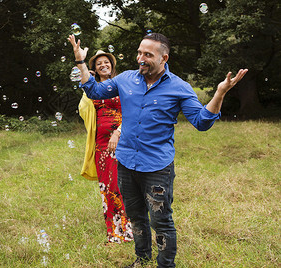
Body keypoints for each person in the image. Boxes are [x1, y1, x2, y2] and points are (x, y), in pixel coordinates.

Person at [68, 33, 247, 267]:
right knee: (136, 217)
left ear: (164, 58)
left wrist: (220, 93)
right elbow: (93, 92)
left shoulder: (179, 87)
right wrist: (81, 62)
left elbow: (202, 122)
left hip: (156, 168)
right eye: (139, 53)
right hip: (126, 163)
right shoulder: (126, 79)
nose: (141, 59)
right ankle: (141, 260)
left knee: (161, 222)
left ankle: (165, 265)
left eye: (148, 55)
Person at [78, 50, 133, 243]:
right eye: (99, 63)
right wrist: (87, 80)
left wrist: (118, 132)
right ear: (95, 68)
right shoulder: (94, 89)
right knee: (107, 187)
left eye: (106, 62)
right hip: (101, 145)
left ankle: (129, 229)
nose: (103, 65)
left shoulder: (122, 84)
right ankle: (114, 231)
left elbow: (132, 112)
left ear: (112, 65)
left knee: (123, 185)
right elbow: (83, 110)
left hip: (123, 141)